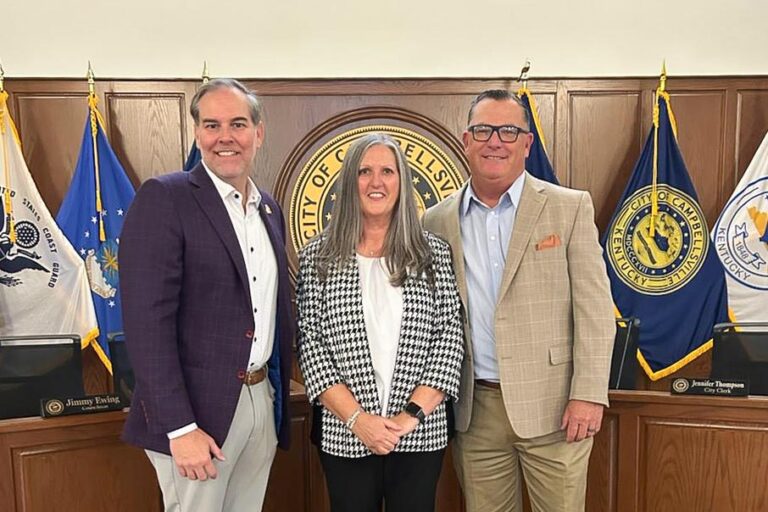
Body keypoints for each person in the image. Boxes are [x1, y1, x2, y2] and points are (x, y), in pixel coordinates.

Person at [422, 89, 615, 512]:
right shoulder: (435, 220)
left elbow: (597, 311)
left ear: (527, 143)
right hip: (476, 412)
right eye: (484, 130)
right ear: (466, 140)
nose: (496, 141)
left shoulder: (568, 208)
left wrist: (588, 393)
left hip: (556, 409)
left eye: (509, 130)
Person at [119, 78, 294, 512]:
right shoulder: (166, 197)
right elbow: (146, 325)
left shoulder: (268, 210)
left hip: (259, 400)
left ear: (258, 132)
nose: (225, 137)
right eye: (212, 125)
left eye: (237, 124)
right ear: (197, 133)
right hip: (196, 414)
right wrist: (180, 428)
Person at [296, 133, 464, 512]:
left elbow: (449, 337)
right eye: (364, 171)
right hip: (345, 432)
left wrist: (409, 417)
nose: (376, 182)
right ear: (349, 183)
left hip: (420, 432)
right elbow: (311, 344)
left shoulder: (432, 252)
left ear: (402, 181)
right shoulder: (318, 257)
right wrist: (359, 420)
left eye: (387, 171)